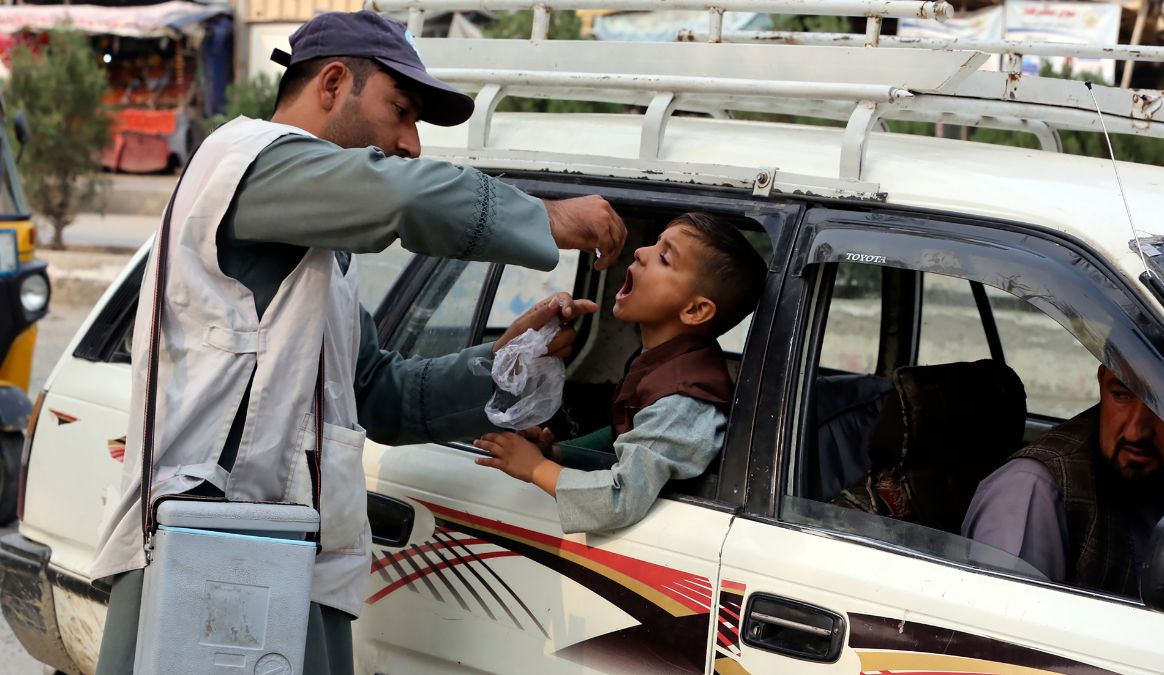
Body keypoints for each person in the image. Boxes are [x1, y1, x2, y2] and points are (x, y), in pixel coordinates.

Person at [90, 10, 626, 675]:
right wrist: (545, 217)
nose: (409, 144)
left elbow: (377, 394)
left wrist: (504, 364)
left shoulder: (320, 249)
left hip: (286, 564)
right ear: (333, 82)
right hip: (208, 558)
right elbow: (399, 197)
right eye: (399, 112)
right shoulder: (248, 161)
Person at [474, 212, 766, 533]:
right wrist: (554, 451)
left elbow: (620, 498)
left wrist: (536, 468)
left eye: (665, 258)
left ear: (695, 310)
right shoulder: (664, 360)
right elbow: (623, 435)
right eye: (655, 243)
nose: (641, 252)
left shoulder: (681, 400)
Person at [963, 364, 1164, 596]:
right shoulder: (1030, 489)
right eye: (1120, 394)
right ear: (1102, 380)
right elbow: (1006, 625)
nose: (1135, 432)